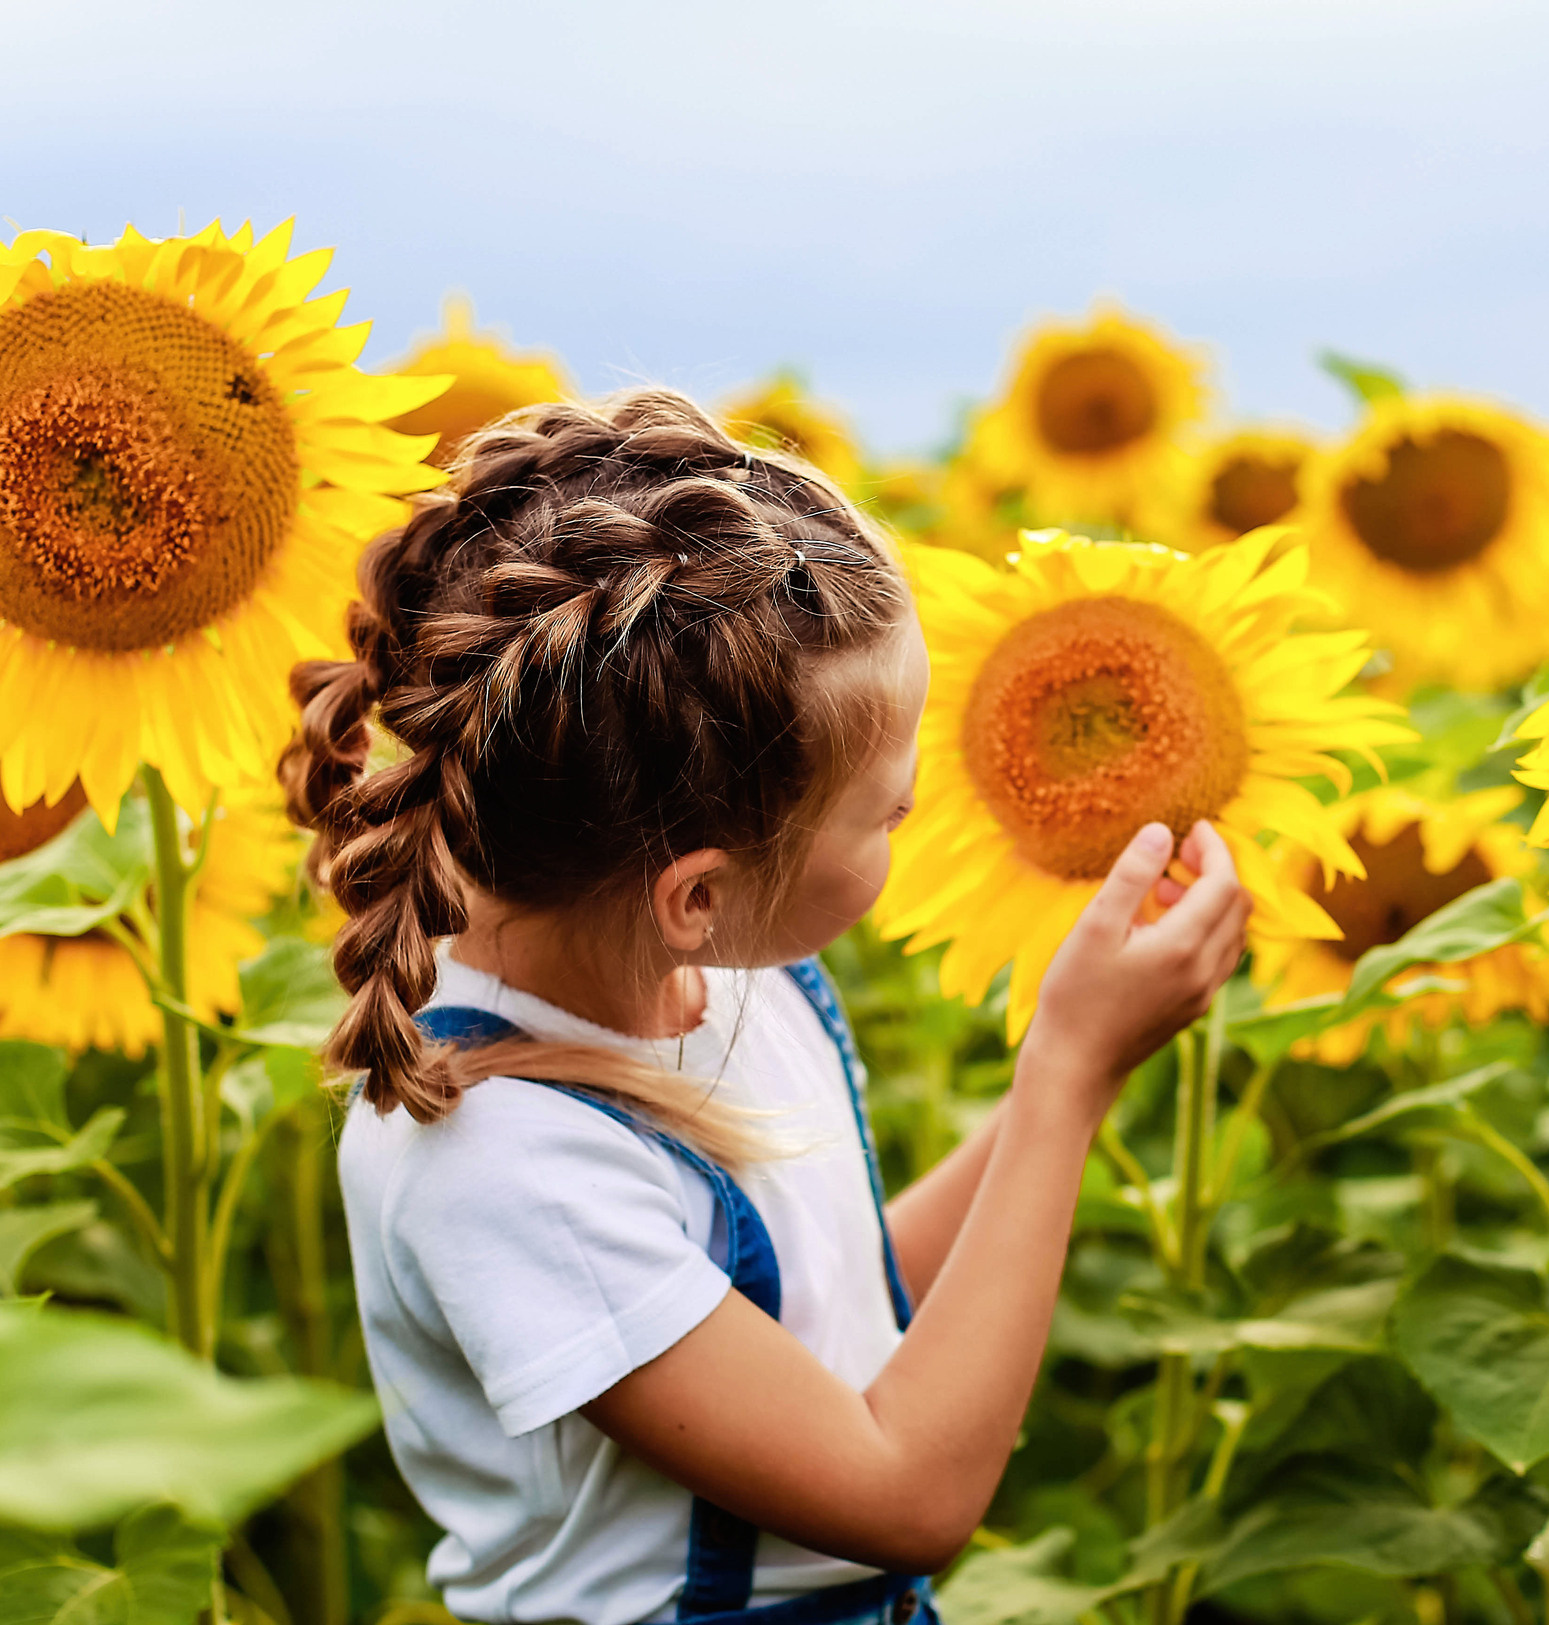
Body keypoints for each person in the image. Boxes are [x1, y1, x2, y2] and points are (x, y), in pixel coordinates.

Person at [282, 390, 1250, 1625]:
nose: (911, 823)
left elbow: (825, 1303)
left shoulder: (732, 977)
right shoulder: (499, 1154)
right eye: (889, 811)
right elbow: (904, 1494)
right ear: (699, 895)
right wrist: (1065, 1072)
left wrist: (1087, 1059)